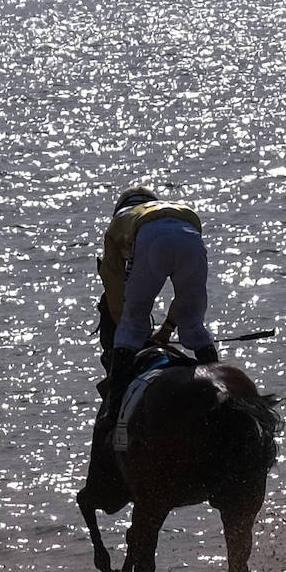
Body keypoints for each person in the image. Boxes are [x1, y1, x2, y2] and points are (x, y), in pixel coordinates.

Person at [78, 185, 219, 511]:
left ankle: (114, 412)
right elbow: (185, 300)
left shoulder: (118, 229)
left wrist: (138, 334)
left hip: (152, 243)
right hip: (190, 237)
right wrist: (169, 329)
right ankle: (221, 389)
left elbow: (118, 301)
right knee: (195, 328)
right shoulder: (179, 212)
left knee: (129, 325)